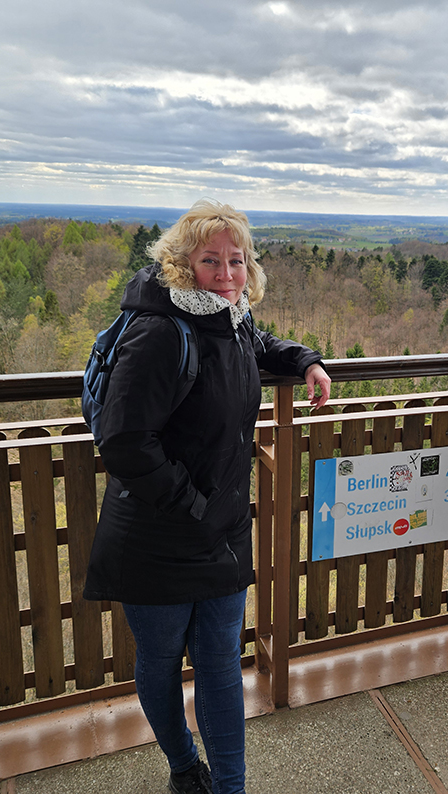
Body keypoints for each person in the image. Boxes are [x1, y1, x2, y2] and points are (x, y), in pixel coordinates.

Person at [84, 199, 330, 794]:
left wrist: (305, 361)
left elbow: (253, 345)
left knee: (221, 667)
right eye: (210, 260)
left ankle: (230, 787)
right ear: (181, 264)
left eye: (236, 261)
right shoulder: (160, 330)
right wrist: (190, 506)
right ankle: (183, 768)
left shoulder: (230, 316)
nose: (226, 273)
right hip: (158, 535)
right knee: (163, 663)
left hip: (217, 531)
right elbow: (122, 441)